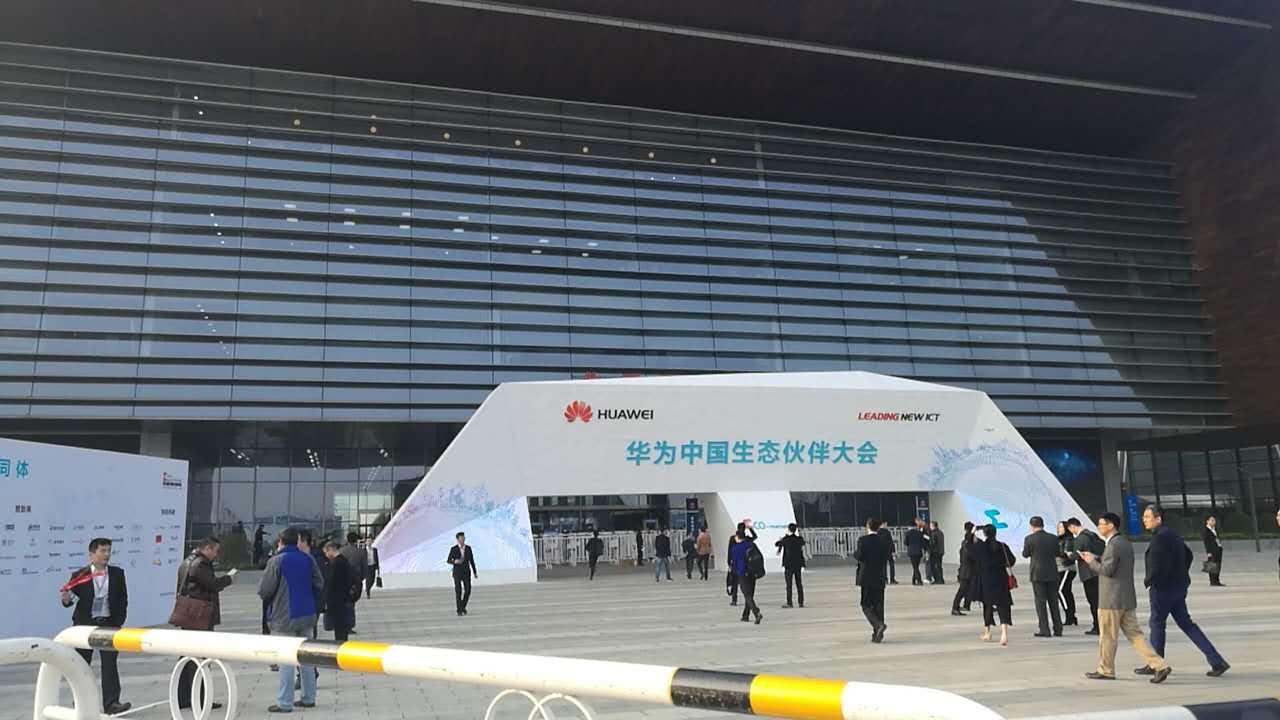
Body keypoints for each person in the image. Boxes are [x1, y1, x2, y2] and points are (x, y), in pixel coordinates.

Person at [1078, 512, 1170, 683]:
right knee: (1136, 635)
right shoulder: (1124, 542)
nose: (1099, 527)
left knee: (1107, 636)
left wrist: (1091, 561)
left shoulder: (1113, 545)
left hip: (1111, 599)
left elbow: (1107, 570)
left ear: (1111, 525)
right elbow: (1115, 563)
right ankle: (1159, 665)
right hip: (1126, 597)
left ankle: (1106, 670)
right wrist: (1098, 557)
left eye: (1101, 524)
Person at [1140, 506, 1229, 678]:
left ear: (1158, 519)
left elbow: (1157, 565)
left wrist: (1150, 580)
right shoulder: (1172, 534)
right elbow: (1189, 554)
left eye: (1148, 516)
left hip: (1163, 589)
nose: (1144, 520)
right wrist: (1180, 573)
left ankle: (1157, 665)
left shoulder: (1160, 537)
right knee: (1187, 624)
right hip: (1178, 587)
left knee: (1157, 624)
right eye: (1144, 517)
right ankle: (1217, 661)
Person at [60, 538, 130, 715]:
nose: (107, 554)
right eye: (103, 551)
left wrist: (118, 622)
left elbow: (123, 599)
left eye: (109, 550)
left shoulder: (117, 573)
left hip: (109, 624)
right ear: (92, 554)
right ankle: (80, 702)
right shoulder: (79, 575)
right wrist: (66, 599)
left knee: (110, 664)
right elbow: (70, 600)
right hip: (85, 625)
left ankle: (112, 703)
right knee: (82, 665)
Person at [259, 527, 325, 712]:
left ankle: (285, 702)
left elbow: (264, 590)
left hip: (284, 616)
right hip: (307, 614)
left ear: (280, 542)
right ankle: (309, 697)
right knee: (307, 657)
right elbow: (319, 583)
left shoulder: (276, 561)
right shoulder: (308, 559)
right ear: (297, 541)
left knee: (286, 659)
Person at [174, 537, 235, 711]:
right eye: (215, 551)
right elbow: (212, 584)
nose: (216, 555)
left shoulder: (187, 561)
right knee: (200, 658)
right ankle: (200, 699)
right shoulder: (201, 564)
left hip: (189, 614)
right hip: (200, 615)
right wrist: (229, 578)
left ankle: (183, 697)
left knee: (187, 656)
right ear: (207, 548)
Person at [973, 524, 1015, 646]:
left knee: (987, 605)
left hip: (986, 579)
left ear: (984, 534)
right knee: (1003, 605)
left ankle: (987, 632)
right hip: (1001, 578)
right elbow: (1011, 561)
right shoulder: (1002, 546)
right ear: (996, 533)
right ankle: (1004, 634)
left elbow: (969, 548)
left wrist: (973, 532)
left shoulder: (980, 547)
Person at [1022, 516, 1063, 638]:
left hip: (1037, 573)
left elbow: (1025, 554)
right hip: (1052, 572)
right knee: (1053, 601)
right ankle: (1058, 628)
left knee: (1040, 602)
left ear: (1031, 526)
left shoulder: (1029, 539)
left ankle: (1044, 629)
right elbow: (1058, 553)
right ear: (1043, 524)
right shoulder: (1053, 538)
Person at [854, 518, 891, 643]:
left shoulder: (863, 540)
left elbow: (859, 556)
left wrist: (855, 553)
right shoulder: (883, 541)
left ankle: (877, 625)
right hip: (879, 576)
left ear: (868, 526)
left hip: (866, 577)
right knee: (879, 606)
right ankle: (877, 634)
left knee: (865, 605)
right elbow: (886, 556)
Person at [1066, 517, 1105, 635]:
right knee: (1098, 600)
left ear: (1072, 526)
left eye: (1070, 529)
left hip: (1088, 573)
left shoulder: (1080, 538)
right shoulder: (1092, 534)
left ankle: (1097, 627)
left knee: (1093, 601)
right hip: (1097, 570)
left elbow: (1075, 556)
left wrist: (1069, 554)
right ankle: (1103, 625)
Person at [322, 541, 359, 642]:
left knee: (340, 632)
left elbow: (332, 584)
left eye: (326, 552)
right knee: (342, 632)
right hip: (344, 601)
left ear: (331, 550)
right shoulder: (344, 561)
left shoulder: (337, 564)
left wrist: (327, 601)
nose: (326, 555)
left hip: (338, 603)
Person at [729, 527, 764, 624]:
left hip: (743, 573)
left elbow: (734, 562)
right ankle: (745, 615)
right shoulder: (751, 544)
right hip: (752, 572)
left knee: (747, 595)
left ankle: (756, 612)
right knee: (750, 595)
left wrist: (733, 572)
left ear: (737, 537)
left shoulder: (735, 548)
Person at [339, 532, 368, 632]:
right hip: (356, 581)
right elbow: (365, 568)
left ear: (347, 540)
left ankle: (343, 623)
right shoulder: (361, 552)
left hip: (342, 580)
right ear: (356, 540)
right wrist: (361, 578)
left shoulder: (341, 551)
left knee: (344, 603)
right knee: (351, 603)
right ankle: (349, 625)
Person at [775, 523, 806, 608]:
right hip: (798, 564)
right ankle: (801, 602)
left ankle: (789, 602)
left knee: (789, 584)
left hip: (788, 564)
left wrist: (782, 539)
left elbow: (777, 544)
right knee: (799, 583)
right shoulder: (799, 539)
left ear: (789, 529)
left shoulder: (786, 539)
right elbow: (803, 543)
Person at [447, 532, 478, 615]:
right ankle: (459, 610)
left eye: (463, 538)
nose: (462, 540)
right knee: (458, 591)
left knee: (468, 590)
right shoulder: (453, 549)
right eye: (461, 538)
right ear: (457, 539)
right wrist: (455, 561)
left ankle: (462, 606)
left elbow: (471, 560)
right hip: (457, 573)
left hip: (466, 573)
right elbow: (448, 560)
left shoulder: (468, 548)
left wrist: (475, 572)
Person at [725, 522, 755, 605]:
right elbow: (755, 537)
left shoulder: (733, 538)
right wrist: (750, 529)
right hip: (746, 564)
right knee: (746, 584)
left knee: (734, 582)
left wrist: (729, 563)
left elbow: (730, 551)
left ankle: (734, 600)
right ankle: (748, 600)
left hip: (735, 564)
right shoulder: (747, 539)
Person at [1056, 521, 1079, 627]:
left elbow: (1065, 553)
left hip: (1066, 568)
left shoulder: (1068, 539)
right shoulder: (1059, 539)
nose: (1059, 529)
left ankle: (1070, 615)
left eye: (1061, 527)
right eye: (1058, 527)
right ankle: (1071, 616)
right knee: (1066, 591)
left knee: (1060, 591)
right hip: (1061, 569)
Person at [951, 521, 975, 616]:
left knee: (967, 589)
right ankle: (955, 607)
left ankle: (966, 605)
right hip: (967, 572)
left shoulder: (964, 544)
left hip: (965, 570)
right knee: (962, 590)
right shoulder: (969, 547)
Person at [903, 518, 928, 586]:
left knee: (915, 567)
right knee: (916, 566)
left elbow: (905, 542)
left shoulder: (908, 533)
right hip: (919, 552)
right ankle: (913, 580)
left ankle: (919, 581)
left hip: (912, 552)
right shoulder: (919, 533)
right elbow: (922, 542)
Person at [1201, 515, 1224, 587]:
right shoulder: (1206, 531)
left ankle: (1217, 581)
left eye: (1214, 520)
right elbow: (1206, 542)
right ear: (1207, 521)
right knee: (1212, 566)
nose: (1214, 522)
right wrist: (1208, 552)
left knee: (1218, 566)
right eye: (1212, 520)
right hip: (1212, 551)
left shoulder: (1214, 529)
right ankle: (1212, 581)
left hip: (1218, 549)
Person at [928, 521, 946, 585]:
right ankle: (941, 579)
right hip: (940, 551)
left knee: (934, 566)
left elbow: (932, 543)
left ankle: (937, 579)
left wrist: (930, 550)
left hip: (935, 552)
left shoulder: (933, 533)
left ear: (933, 526)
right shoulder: (941, 532)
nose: (930, 527)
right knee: (939, 566)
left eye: (930, 525)